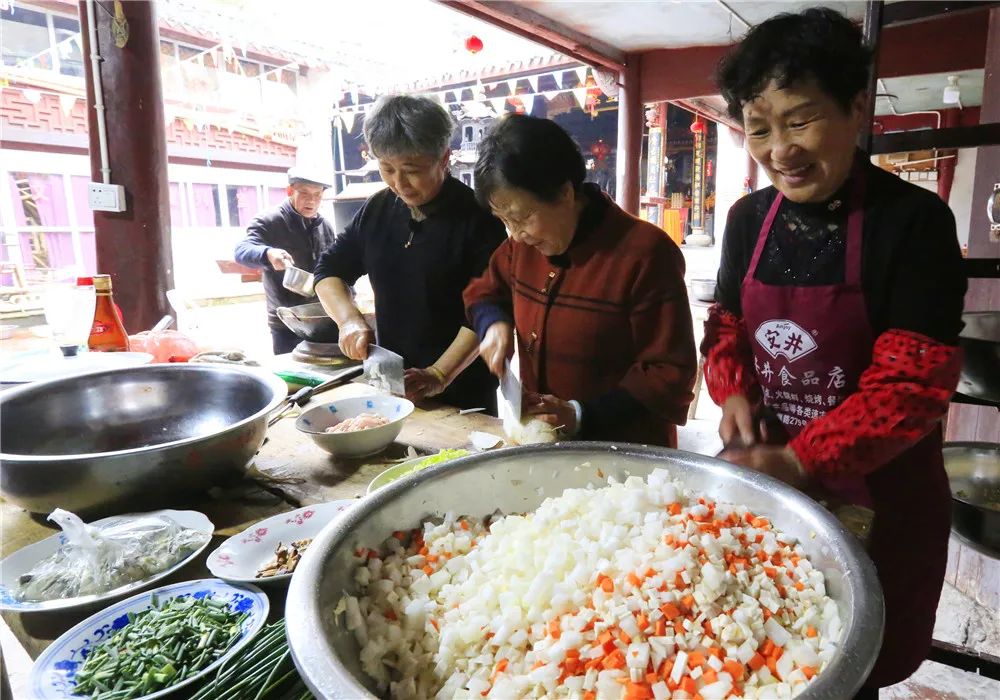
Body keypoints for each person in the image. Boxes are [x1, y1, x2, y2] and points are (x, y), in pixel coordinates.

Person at [703, 8, 967, 696]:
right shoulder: (747, 220)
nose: (777, 148)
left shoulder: (911, 224)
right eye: (758, 127)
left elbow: (912, 385)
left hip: (882, 499)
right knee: (758, 660)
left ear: (855, 109)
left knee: (848, 668)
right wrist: (733, 391)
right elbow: (726, 326)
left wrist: (799, 460)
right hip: (771, 489)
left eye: (799, 120)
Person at [464, 115, 697, 445]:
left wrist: (580, 413)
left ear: (564, 192)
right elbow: (485, 292)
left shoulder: (646, 254)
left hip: (625, 458)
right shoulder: (519, 248)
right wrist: (494, 325)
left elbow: (670, 373)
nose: (516, 234)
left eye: (523, 217)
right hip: (545, 447)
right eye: (505, 221)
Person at [314, 95, 505, 411]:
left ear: (444, 159)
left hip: (464, 391)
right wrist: (348, 320)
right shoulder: (377, 208)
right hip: (392, 384)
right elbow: (329, 269)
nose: (399, 183)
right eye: (386, 169)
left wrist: (438, 374)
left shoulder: (479, 219)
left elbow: (487, 310)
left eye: (411, 169)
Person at [234, 168, 336, 354]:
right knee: (292, 375)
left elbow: (335, 265)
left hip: (322, 316)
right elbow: (241, 250)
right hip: (286, 320)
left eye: (317, 195)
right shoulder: (269, 220)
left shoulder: (324, 225)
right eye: (304, 193)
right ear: (290, 191)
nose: (311, 201)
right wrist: (268, 253)